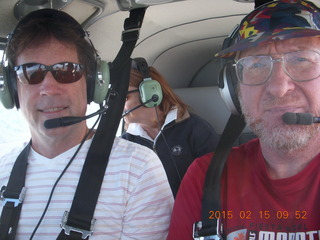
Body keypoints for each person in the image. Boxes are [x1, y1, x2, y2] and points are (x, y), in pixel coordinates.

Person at [0, 9, 173, 240]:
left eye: (66, 70)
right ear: (12, 88)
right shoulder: (2, 169)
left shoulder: (138, 170)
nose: (49, 89)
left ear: (93, 84)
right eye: (31, 72)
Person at [167, 0, 320, 239]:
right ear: (233, 90)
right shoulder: (205, 177)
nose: (278, 88)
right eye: (256, 64)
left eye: (301, 60)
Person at [122, 58, 219, 197]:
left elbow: (216, 183)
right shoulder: (124, 144)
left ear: (149, 94)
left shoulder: (196, 129)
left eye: (124, 98)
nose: (117, 105)